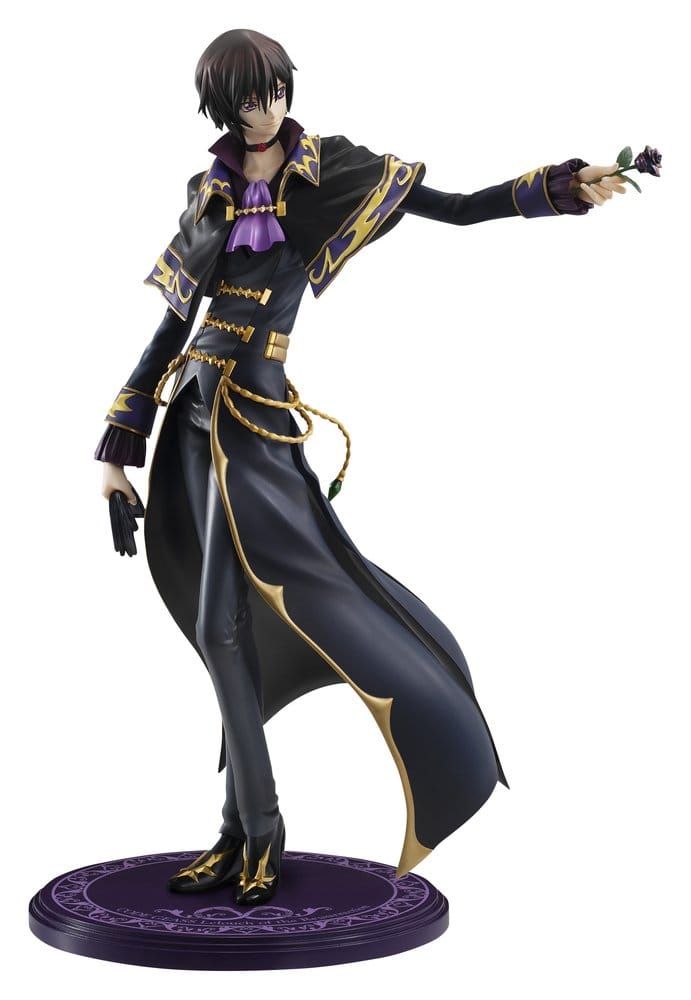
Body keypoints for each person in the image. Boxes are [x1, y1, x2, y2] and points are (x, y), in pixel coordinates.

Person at [95, 27, 626, 907]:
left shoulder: (333, 172)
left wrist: (556, 189)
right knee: (216, 629)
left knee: (240, 622)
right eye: (246, 100)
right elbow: (170, 328)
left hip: (255, 428)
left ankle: (259, 830)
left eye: (273, 91)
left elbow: (454, 207)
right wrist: (118, 448)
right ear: (222, 109)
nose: (264, 110)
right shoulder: (208, 192)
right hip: (190, 421)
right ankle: (240, 830)